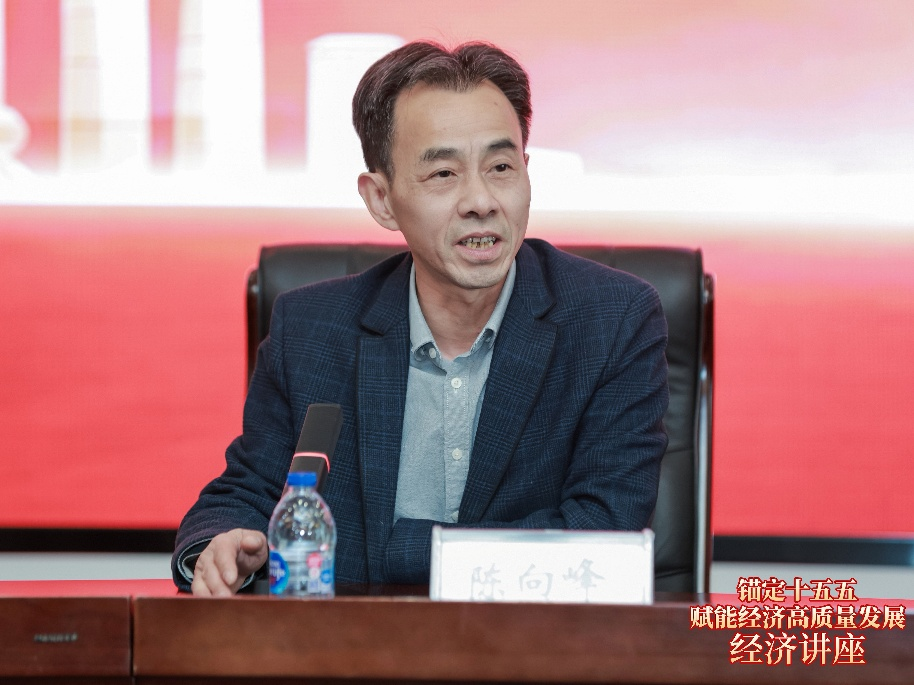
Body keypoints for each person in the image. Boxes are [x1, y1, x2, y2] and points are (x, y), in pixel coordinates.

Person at [173, 40, 669, 596]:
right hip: (349, 647)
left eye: (501, 167)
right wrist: (221, 545)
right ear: (381, 199)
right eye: (443, 174)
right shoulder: (310, 330)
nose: (481, 200)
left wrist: (399, 551)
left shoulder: (612, 322)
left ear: (527, 173)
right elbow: (245, 494)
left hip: (535, 642)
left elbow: (602, 536)